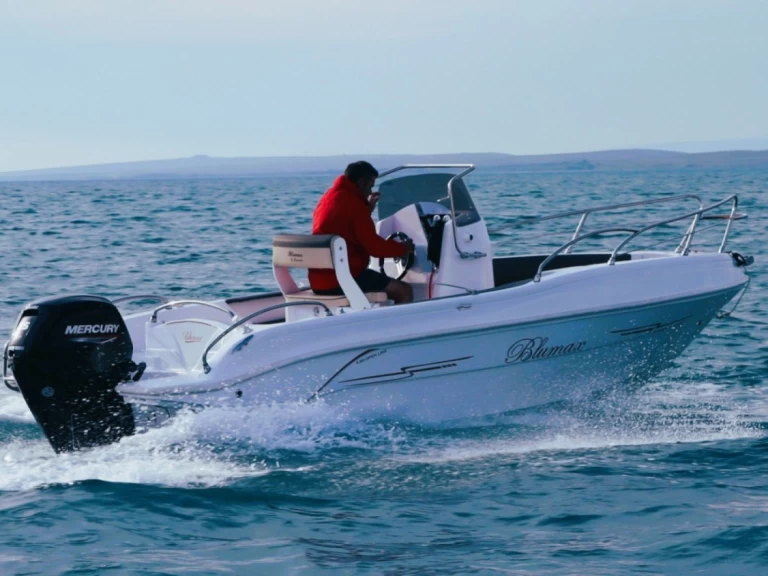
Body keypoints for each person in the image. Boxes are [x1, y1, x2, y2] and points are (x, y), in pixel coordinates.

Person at [309, 161, 414, 304]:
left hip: (319, 280)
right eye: (370, 186)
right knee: (404, 291)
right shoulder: (353, 204)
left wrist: (366, 210)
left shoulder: (329, 197)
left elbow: (345, 225)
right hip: (342, 278)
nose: (370, 192)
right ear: (361, 183)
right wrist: (403, 248)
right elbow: (375, 248)